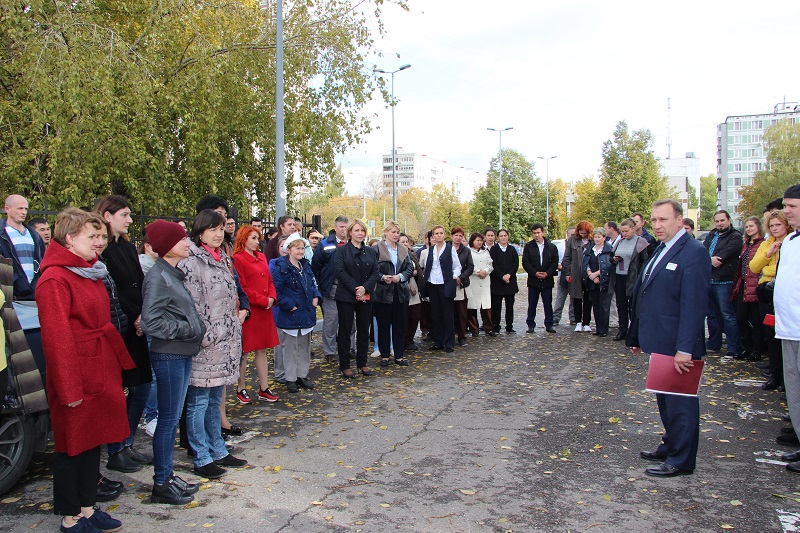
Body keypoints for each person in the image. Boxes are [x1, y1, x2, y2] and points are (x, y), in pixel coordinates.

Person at [36, 208, 132, 532]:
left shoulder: (87, 271)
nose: (99, 243)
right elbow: (56, 339)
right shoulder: (54, 278)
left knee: (94, 441)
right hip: (76, 373)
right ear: (69, 237)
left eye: (101, 236)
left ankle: (88, 509)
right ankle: (70, 517)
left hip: (99, 367)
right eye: (92, 236)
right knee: (71, 446)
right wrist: (69, 389)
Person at [627, 199, 711, 477]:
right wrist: (637, 334)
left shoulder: (694, 252)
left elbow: (694, 305)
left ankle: (682, 459)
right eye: (653, 220)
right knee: (665, 399)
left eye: (663, 220)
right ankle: (671, 443)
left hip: (679, 345)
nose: (657, 225)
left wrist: (685, 348)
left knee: (681, 403)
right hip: (660, 340)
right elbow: (646, 293)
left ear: (679, 220)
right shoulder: (661, 249)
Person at [180, 209, 248, 479]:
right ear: (199, 232)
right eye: (212, 229)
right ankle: (201, 455)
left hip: (224, 343)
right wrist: (208, 335)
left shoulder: (222, 260)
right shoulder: (191, 262)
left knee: (213, 401)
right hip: (205, 345)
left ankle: (218, 449)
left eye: (221, 229)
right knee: (197, 402)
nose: (218, 234)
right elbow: (193, 306)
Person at [141, 220, 204, 505]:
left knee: (171, 418)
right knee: (167, 422)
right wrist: (187, 329)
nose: (187, 243)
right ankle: (161, 482)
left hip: (180, 353)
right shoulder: (158, 277)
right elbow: (152, 321)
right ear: (169, 246)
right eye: (182, 240)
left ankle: (167, 476)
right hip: (169, 354)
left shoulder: (171, 273)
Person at [94, 195, 154, 474]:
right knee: (118, 391)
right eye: (125, 215)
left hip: (138, 327)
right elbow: (111, 291)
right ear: (107, 216)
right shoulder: (101, 250)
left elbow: (140, 284)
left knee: (141, 386)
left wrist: (144, 315)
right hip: (119, 328)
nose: (130, 220)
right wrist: (135, 316)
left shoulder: (127, 247)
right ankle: (115, 450)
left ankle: (127, 442)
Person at [232, 225, 281, 403]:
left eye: (257, 237)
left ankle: (264, 387)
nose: (256, 241)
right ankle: (241, 387)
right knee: (244, 351)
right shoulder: (237, 259)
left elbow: (269, 280)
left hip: (265, 310)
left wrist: (272, 298)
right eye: (252, 238)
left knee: (262, 349)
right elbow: (242, 288)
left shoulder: (261, 256)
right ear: (243, 239)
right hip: (251, 311)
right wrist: (263, 300)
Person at [271, 234, 322, 392]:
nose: (301, 251)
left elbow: (313, 284)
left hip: (306, 312)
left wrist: (316, 297)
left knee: (304, 346)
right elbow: (276, 292)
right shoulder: (281, 267)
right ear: (289, 249)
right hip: (291, 313)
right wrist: (290, 305)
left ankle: (302, 375)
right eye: (297, 248)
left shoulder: (305, 266)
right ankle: (290, 378)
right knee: (290, 347)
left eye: (302, 248)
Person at [750, 209, 792, 391]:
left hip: (785, 290)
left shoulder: (792, 242)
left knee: (786, 336)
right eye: (772, 225)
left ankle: (787, 380)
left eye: (778, 225)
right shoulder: (767, 243)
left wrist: (771, 267)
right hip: (766, 291)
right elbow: (754, 266)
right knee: (771, 334)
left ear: (786, 225)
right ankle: (775, 375)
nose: (775, 229)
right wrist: (768, 254)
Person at [774, 185, 800, 472]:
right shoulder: (791, 240)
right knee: (794, 391)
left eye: (792, 206)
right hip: (787, 327)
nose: (787, 211)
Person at [334, 219, 380, 377]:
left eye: (362, 230)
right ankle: (345, 365)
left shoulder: (371, 251)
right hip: (346, 295)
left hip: (366, 295)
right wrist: (356, 289)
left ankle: (362, 363)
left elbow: (375, 272)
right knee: (346, 330)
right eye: (357, 230)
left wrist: (365, 288)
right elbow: (340, 271)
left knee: (363, 330)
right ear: (350, 232)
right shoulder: (341, 251)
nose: (360, 233)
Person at [372, 221, 414, 367]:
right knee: (383, 325)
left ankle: (399, 355)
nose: (396, 235)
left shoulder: (403, 249)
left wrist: (400, 277)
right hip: (382, 293)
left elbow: (409, 268)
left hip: (401, 292)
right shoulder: (376, 248)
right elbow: (372, 270)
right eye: (393, 232)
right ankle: (384, 355)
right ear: (386, 232)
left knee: (400, 325)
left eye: (397, 232)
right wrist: (383, 277)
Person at [703, 210, 743, 359]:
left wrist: (709, 260)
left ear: (729, 220)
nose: (720, 223)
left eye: (722, 220)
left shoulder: (735, 236)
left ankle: (734, 347)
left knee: (728, 315)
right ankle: (714, 343)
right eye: (717, 221)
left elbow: (723, 256)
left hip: (724, 281)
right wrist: (709, 260)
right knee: (711, 315)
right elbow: (702, 252)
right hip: (709, 279)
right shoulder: (711, 234)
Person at [311, 216, 350, 363]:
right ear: (335, 228)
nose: (344, 230)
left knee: (349, 322)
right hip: (330, 288)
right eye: (341, 227)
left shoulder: (353, 244)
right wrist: (323, 285)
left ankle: (349, 348)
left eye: (346, 227)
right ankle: (329, 352)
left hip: (349, 289)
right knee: (331, 321)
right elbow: (316, 266)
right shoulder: (325, 244)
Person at [421, 225, 462, 352]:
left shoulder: (450, 249)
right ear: (433, 236)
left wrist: (454, 276)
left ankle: (449, 343)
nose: (438, 235)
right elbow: (427, 267)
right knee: (435, 314)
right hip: (433, 284)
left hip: (445, 284)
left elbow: (457, 266)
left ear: (444, 235)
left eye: (441, 233)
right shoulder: (430, 250)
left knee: (447, 314)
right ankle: (438, 342)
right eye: (436, 233)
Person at [730, 216, 765, 362]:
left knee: (756, 320)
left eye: (752, 226)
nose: (749, 229)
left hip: (755, 284)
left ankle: (757, 350)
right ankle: (747, 347)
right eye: (747, 226)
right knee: (741, 317)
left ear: (758, 227)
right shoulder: (746, 244)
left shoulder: (761, 244)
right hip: (743, 284)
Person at [611, 219, 650, 341]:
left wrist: (640, 278)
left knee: (633, 305)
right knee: (621, 305)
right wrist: (614, 259)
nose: (624, 234)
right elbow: (611, 258)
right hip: (619, 275)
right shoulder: (620, 242)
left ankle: (634, 332)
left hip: (633, 277)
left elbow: (645, 261)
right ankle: (622, 330)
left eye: (626, 231)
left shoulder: (641, 242)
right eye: (622, 231)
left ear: (633, 229)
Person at [0, 194, 46, 300]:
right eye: (20, 208)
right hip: (9, 293)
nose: (24, 212)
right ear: (7, 209)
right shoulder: (2, 234)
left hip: (33, 292)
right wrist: (15, 280)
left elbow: (42, 261)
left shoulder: (34, 235)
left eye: (26, 209)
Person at [522, 223, 558, 334]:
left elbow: (554, 262)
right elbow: (525, 262)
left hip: (547, 280)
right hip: (534, 280)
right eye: (534, 233)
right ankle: (531, 324)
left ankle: (549, 324)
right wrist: (535, 273)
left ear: (542, 232)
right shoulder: (529, 247)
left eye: (538, 233)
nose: (536, 235)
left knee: (548, 304)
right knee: (532, 304)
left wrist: (547, 273)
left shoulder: (551, 247)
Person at [582, 228, 614, 336]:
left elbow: (609, 266)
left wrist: (596, 274)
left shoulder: (609, 250)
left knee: (604, 306)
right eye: (595, 237)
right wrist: (590, 275)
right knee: (595, 306)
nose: (597, 239)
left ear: (604, 238)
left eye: (599, 237)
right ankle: (598, 328)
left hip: (604, 281)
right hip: (592, 281)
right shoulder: (590, 250)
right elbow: (585, 264)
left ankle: (604, 330)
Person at [562, 221, 593, 332]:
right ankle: (578, 321)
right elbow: (567, 257)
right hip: (575, 274)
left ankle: (586, 322)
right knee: (576, 298)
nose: (583, 235)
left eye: (585, 233)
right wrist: (568, 273)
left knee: (588, 299)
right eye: (581, 232)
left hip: (589, 274)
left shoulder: (592, 241)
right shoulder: (572, 240)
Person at [488, 229, 518, 334]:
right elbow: (493, 265)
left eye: (505, 235)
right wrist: (502, 276)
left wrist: (509, 275)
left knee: (510, 306)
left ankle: (509, 325)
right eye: (501, 236)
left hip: (510, 282)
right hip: (498, 282)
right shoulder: (494, 250)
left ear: (508, 236)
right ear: (498, 237)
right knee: (496, 306)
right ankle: (496, 325)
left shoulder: (512, 249)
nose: (503, 238)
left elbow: (515, 264)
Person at [466, 232, 495, 337]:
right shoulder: (468, 251)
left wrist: (485, 271)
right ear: (472, 241)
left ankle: (489, 328)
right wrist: (478, 271)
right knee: (472, 307)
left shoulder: (485, 252)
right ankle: (474, 328)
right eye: (477, 240)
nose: (479, 242)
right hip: (473, 280)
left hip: (484, 281)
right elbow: (467, 265)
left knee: (486, 307)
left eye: (481, 240)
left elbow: (490, 264)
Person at [450, 227, 474, 347]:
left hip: (462, 285)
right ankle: (449, 336)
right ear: (451, 236)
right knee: (449, 312)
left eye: (460, 235)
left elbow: (470, 266)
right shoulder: (446, 249)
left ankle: (462, 336)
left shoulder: (466, 251)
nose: (458, 237)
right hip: (449, 284)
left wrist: (461, 278)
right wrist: (453, 278)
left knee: (462, 312)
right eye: (456, 235)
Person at [400, 233, 424, 349]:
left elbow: (418, 270)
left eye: (406, 241)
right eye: (402, 242)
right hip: (404, 286)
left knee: (415, 315)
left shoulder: (412, 254)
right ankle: (404, 340)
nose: (405, 244)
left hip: (415, 285)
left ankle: (410, 338)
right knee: (405, 315)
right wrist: (409, 283)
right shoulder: (398, 255)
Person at [553, 227, 575, 326]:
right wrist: (559, 266)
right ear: (568, 234)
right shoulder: (560, 246)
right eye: (572, 235)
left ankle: (573, 317)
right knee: (560, 297)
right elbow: (555, 260)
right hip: (563, 275)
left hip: (575, 276)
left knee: (574, 298)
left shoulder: (578, 245)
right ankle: (556, 317)